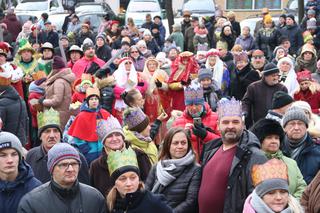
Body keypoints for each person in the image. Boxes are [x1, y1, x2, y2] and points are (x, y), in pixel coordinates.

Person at [198, 97, 267, 213]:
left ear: (243, 124)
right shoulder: (210, 150)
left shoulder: (255, 156)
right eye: (225, 122)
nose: (230, 126)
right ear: (218, 125)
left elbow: (259, 199)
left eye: (235, 122)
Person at [18, 143, 106, 213]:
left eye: (74, 164)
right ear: (51, 169)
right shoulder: (32, 203)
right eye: (63, 165)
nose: (70, 169)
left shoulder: (95, 198)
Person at [90, 116, 151, 196]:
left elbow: (150, 183)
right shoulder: (96, 166)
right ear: (103, 141)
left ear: (123, 137)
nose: (114, 139)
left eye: (118, 135)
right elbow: (95, 193)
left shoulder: (139, 156)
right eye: (109, 136)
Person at [26, 108, 89, 184]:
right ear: (40, 136)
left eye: (55, 131)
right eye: (47, 131)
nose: (52, 135)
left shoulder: (76, 157)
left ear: (60, 135)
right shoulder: (31, 156)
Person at [145, 127, 200, 213]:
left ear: (188, 145)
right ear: (168, 145)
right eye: (175, 143)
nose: (180, 146)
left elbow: (191, 201)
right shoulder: (157, 167)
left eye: (183, 143)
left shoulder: (195, 169)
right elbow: (146, 193)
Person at [250, 119, 307, 199]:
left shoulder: (291, 163)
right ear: (259, 140)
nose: (274, 141)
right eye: (269, 138)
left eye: (276, 138)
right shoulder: (251, 162)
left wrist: (291, 205)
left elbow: (301, 188)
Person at [105, 146, 172, 212]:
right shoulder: (110, 205)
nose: (129, 183)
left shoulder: (154, 203)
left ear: (138, 179)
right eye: (123, 179)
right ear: (115, 183)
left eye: (133, 177)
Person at [173, 83, 220, 159]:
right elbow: (171, 146)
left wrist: (206, 135)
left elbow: (223, 142)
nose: (194, 108)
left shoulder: (216, 118)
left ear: (202, 103)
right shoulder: (178, 122)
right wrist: (184, 135)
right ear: (186, 105)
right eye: (190, 105)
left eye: (197, 104)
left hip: (211, 161)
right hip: (189, 165)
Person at [67, 87, 111, 165]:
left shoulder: (104, 113)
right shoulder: (81, 116)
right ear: (87, 101)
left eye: (96, 99)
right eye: (91, 99)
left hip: (104, 151)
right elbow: (77, 136)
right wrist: (85, 149)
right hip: (90, 152)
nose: (94, 101)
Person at [0, 131, 41, 213]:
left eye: (14, 154)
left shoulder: (36, 189)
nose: (10, 160)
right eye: (3, 155)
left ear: (20, 157)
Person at [242, 62, 288, 127]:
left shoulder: (282, 88)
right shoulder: (253, 87)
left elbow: (286, 106)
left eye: (277, 75)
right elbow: (246, 102)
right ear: (265, 76)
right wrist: (244, 112)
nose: (275, 78)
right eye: (273, 76)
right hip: (257, 124)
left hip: (277, 124)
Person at [282, 107, 320, 184]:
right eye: (292, 124)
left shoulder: (317, 152)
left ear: (306, 127)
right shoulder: (276, 149)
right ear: (285, 128)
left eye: (300, 123)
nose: (296, 128)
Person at [36, 56, 75, 130]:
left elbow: (57, 100)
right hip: (62, 113)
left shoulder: (59, 81)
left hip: (56, 116)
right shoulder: (64, 79)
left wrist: (43, 101)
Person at [0, 74, 28, 146]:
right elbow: (26, 121)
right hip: (21, 140)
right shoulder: (21, 100)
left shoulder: (2, 103)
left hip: (6, 143)